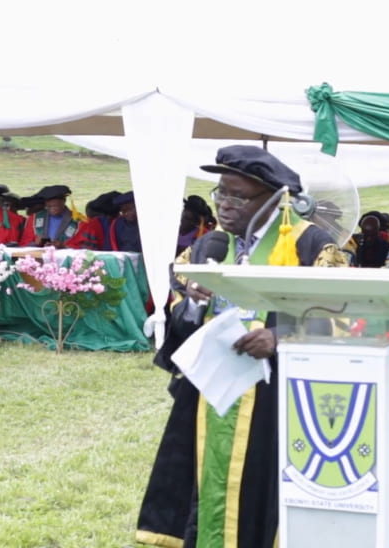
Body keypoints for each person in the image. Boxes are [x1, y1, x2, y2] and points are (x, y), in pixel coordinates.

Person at [135, 145, 347, 548]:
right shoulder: (209, 245)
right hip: (210, 392)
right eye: (221, 193)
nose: (225, 205)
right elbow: (177, 325)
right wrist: (195, 303)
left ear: (274, 200)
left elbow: (341, 316)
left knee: (260, 493)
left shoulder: (311, 244)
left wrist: (281, 339)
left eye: (238, 195)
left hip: (274, 396)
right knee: (205, 486)